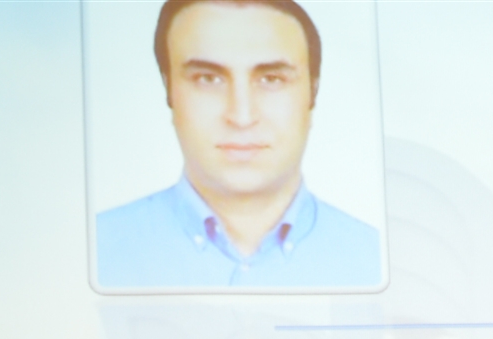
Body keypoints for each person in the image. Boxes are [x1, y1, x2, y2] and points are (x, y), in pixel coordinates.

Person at [96, 0, 381, 289]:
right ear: (168, 89)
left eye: (271, 79)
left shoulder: (377, 261)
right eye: (208, 79)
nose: (241, 117)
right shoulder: (94, 250)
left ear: (313, 91)